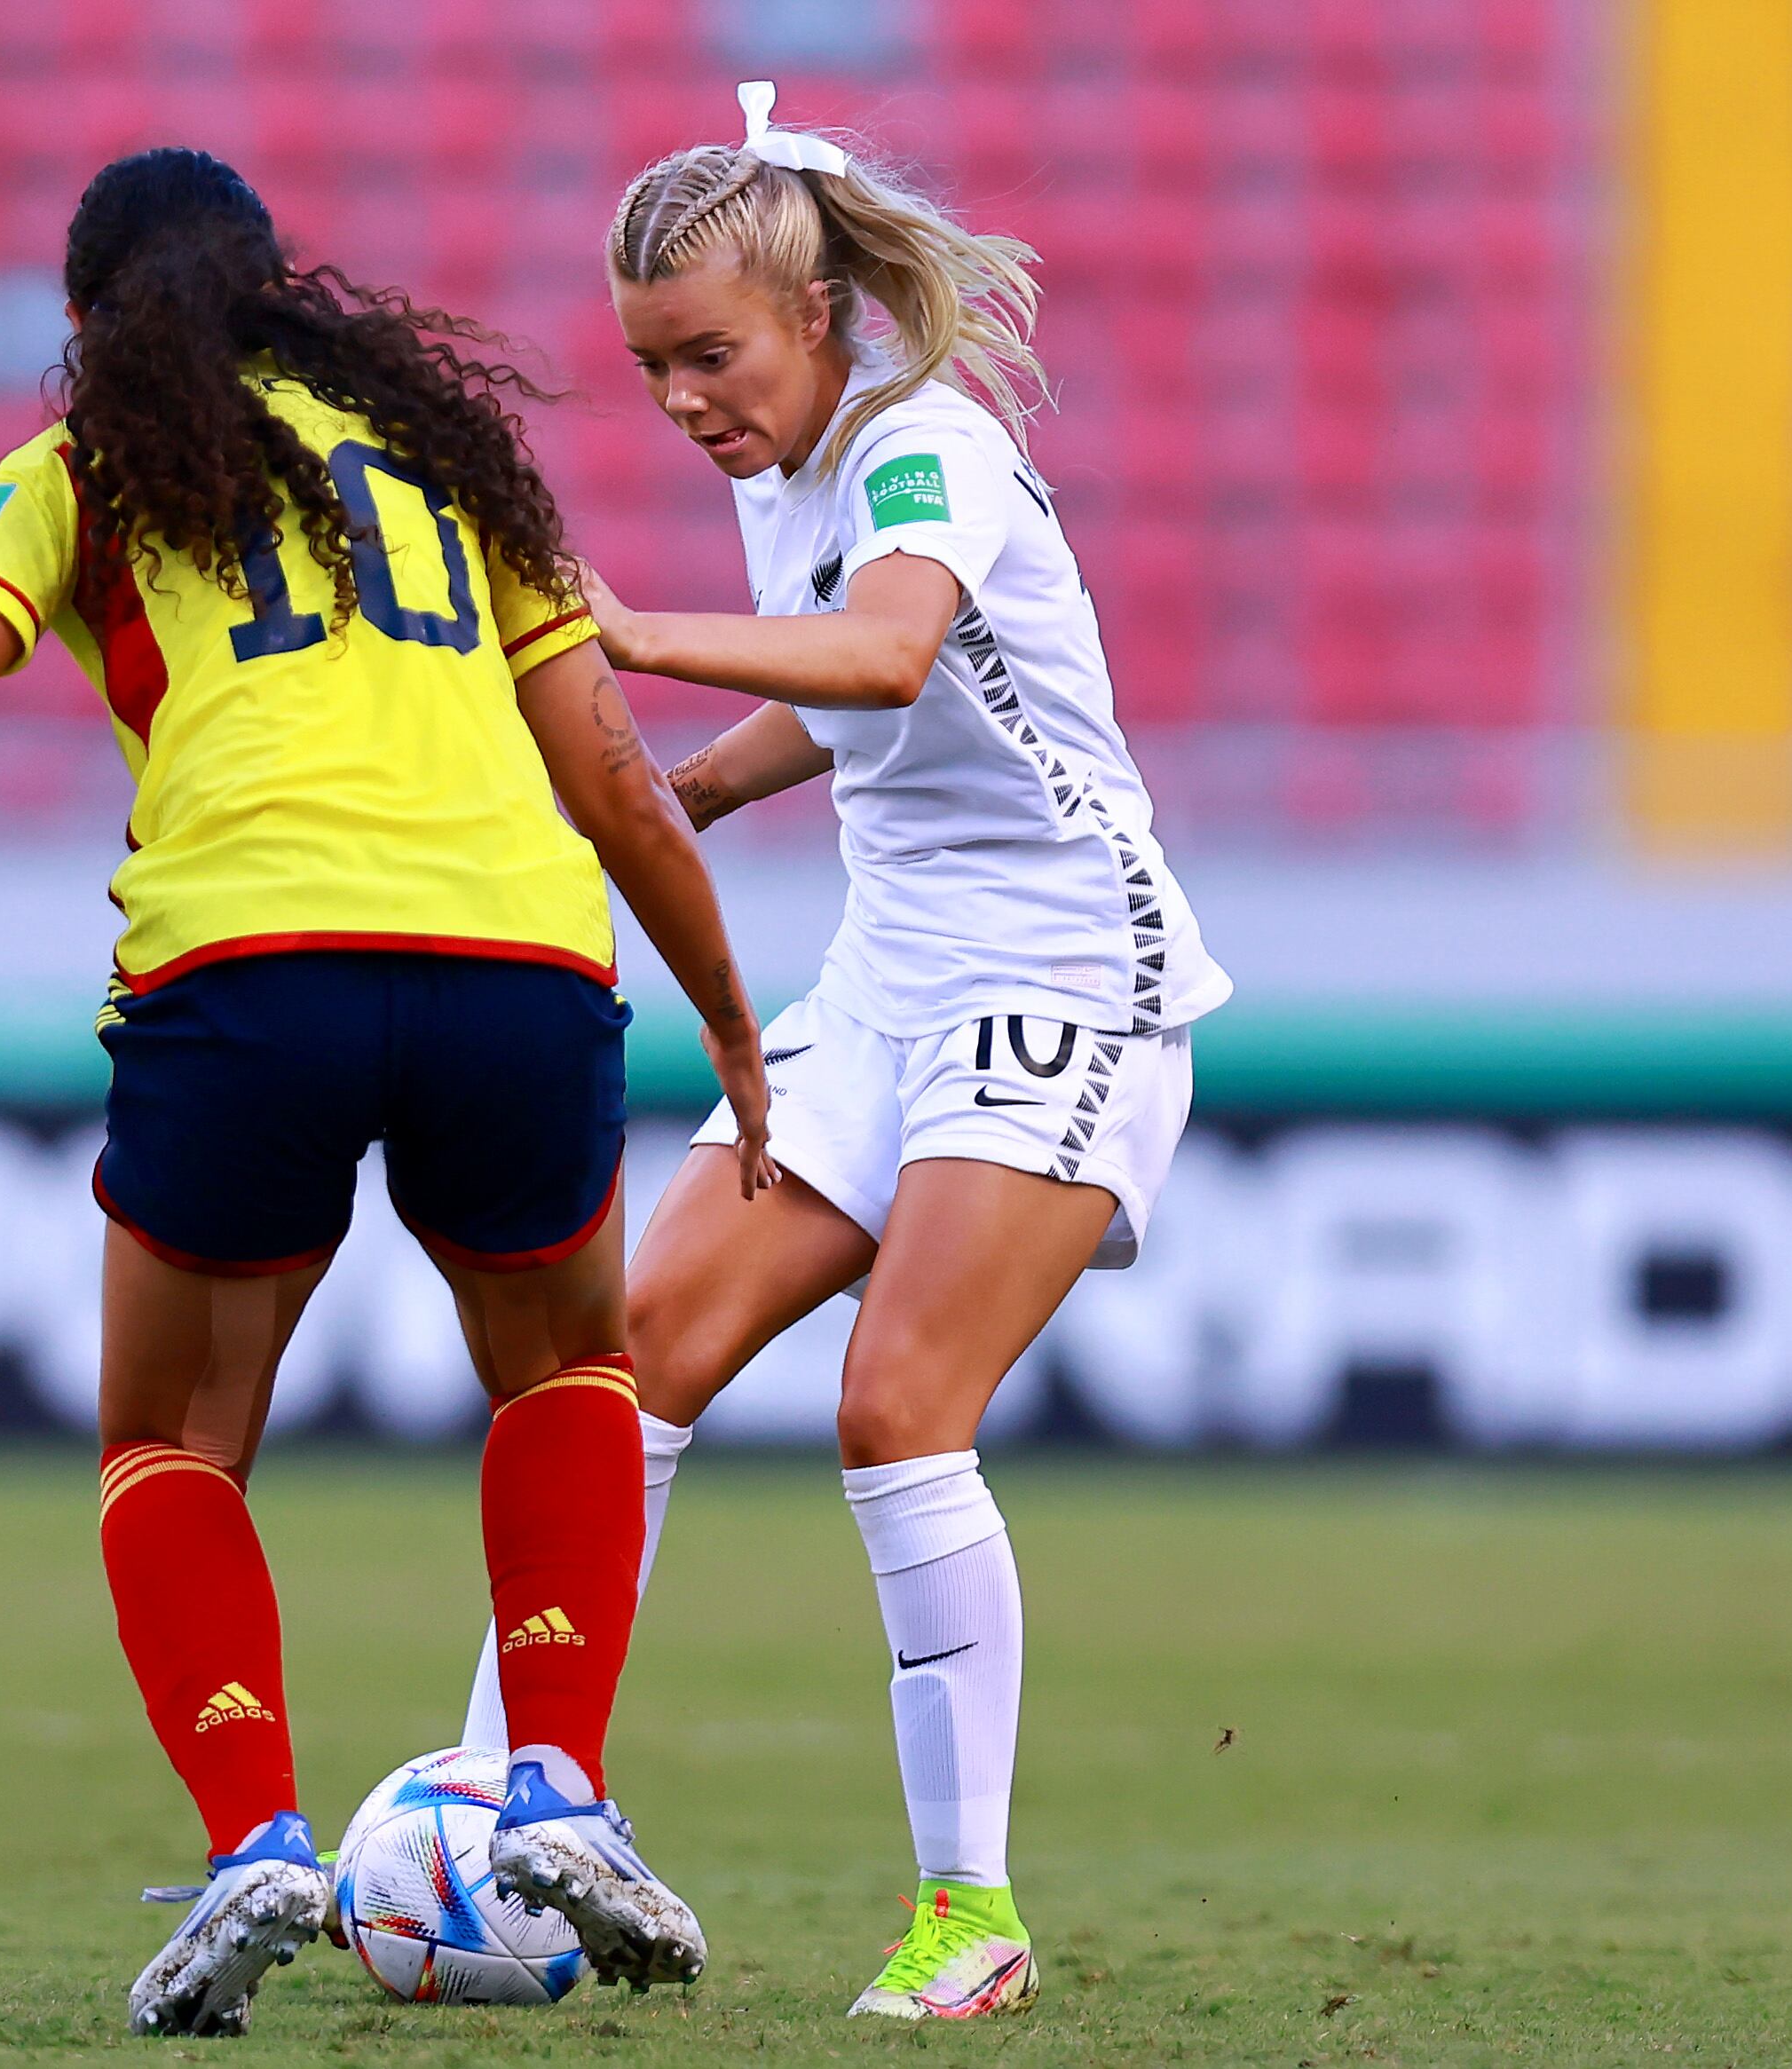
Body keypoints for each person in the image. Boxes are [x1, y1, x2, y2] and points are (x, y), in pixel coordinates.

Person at [0, 147, 774, 2039]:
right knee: (566, 1373)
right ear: (286, 288)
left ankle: (254, 1833)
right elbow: (615, 773)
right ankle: (559, 1783)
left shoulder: (90, 461)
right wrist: (734, 1021)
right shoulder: (454, 463)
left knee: (172, 1441)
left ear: (81, 320)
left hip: (245, 972)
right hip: (515, 968)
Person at [461, 85, 1232, 2021]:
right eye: (652, 367)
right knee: (619, 1360)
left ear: (818, 317)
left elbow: (887, 653)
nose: (687, 399)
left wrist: (630, 637)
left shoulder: (923, 450)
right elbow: (852, 703)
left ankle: (969, 1911)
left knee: (896, 1412)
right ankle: (501, 1810)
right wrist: (694, 793)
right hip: (889, 978)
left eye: (712, 354)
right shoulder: (784, 468)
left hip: (1068, 968)